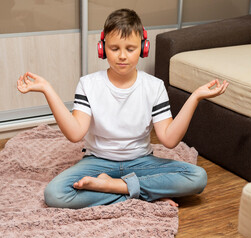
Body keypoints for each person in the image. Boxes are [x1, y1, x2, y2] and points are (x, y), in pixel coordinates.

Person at [17, 9, 228, 209]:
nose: (122, 56)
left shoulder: (154, 86)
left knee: (197, 177)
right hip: (97, 162)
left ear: (143, 48)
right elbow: (74, 134)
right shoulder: (88, 84)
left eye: (130, 49)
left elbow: (170, 140)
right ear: (102, 48)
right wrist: (47, 89)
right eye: (114, 48)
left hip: (142, 161)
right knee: (55, 194)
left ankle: (114, 186)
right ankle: (146, 191)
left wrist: (195, 97)